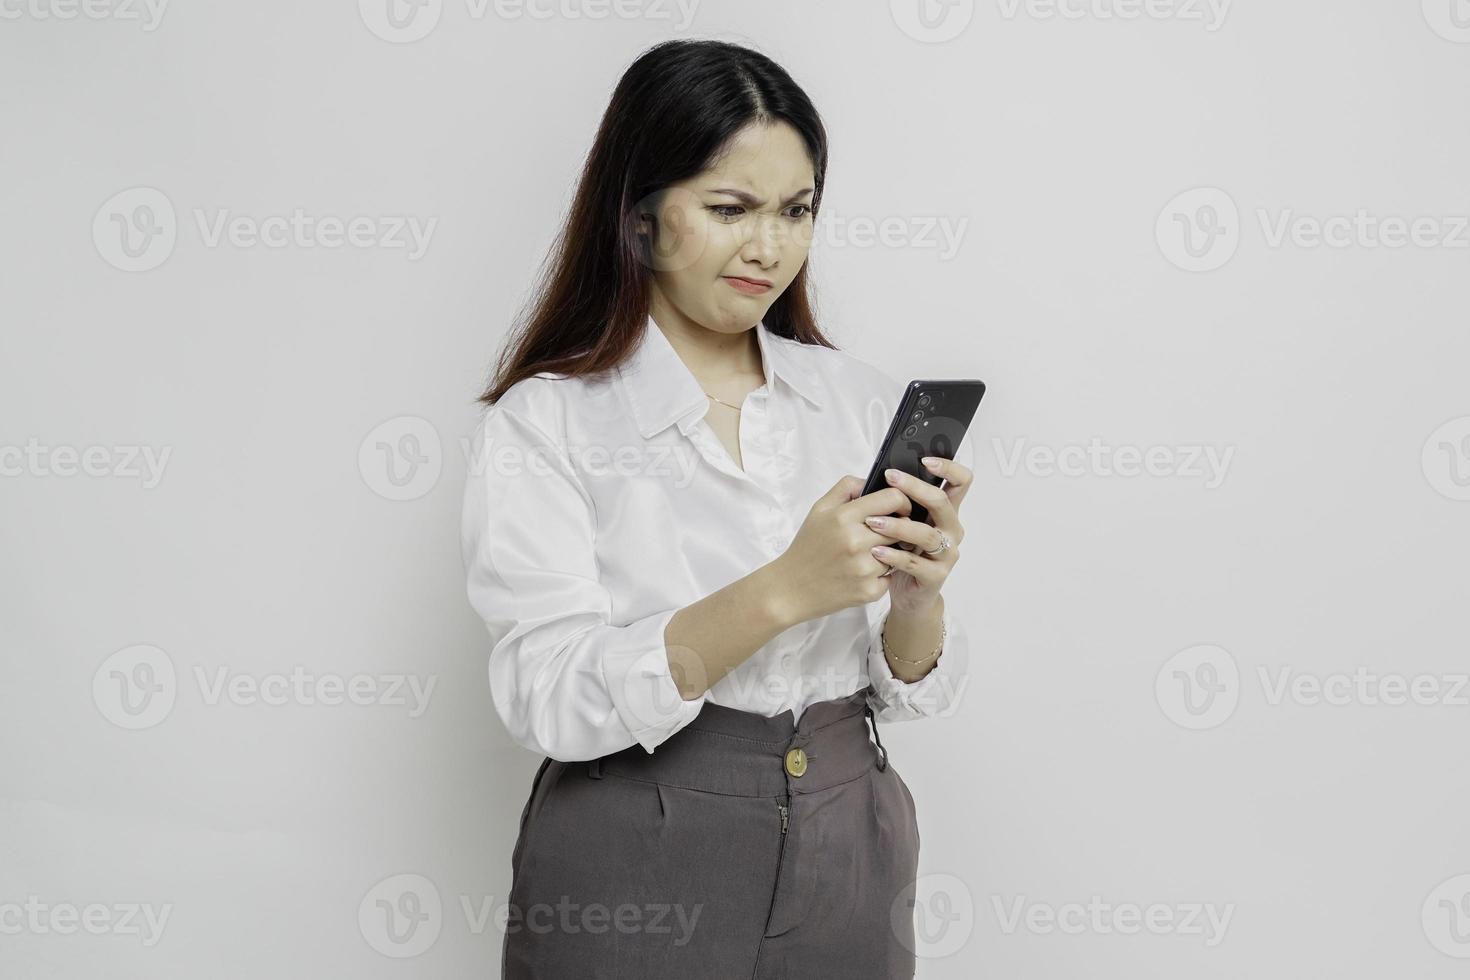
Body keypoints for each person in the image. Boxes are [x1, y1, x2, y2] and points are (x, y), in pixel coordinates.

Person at [460, 37, 975, 979]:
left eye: (796, 210)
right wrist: (782, 590)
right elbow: (546, 697)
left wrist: (917, 602)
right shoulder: (550, 421)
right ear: (643, 215)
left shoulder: (858, 398)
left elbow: (902, 689)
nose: (768, 246)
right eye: (729, 209)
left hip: (850, 838)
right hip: (636, 849)